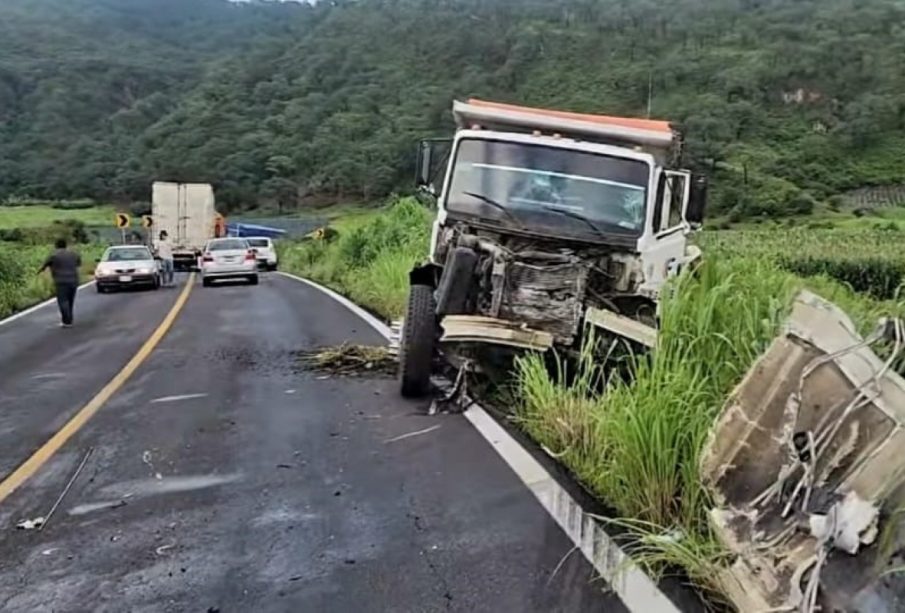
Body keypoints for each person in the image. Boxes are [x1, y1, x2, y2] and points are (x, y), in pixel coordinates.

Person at [37, 238, 82, 328]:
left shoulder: (53, 255)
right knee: (70, 300)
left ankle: (67, 321)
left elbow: (44, 265)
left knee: (63, 301)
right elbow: (78, 263)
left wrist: (40, 271)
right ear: (65, 245)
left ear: (56, 245)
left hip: (61, 280)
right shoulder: (73, 254)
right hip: (74, 280)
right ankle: (68, 320)